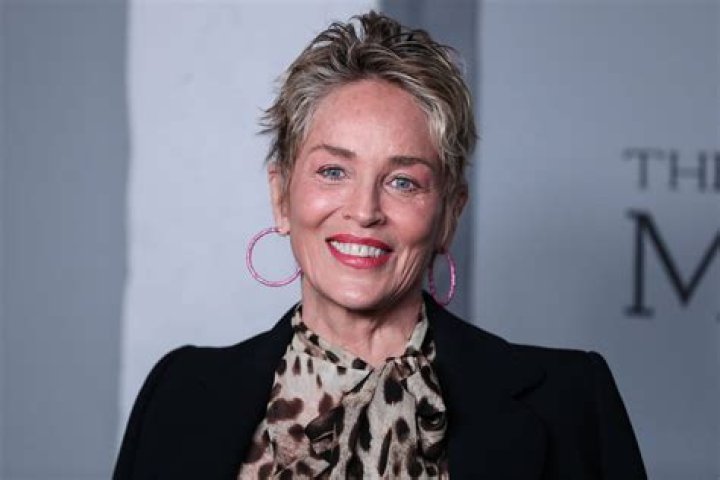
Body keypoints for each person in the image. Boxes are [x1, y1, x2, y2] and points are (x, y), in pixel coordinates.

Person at [113, 11, 646, 479]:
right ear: (281, 197)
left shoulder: (570, 401)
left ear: (449, 214)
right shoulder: (180, 394)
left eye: (403, 181)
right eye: (333, 171)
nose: (364, 210)